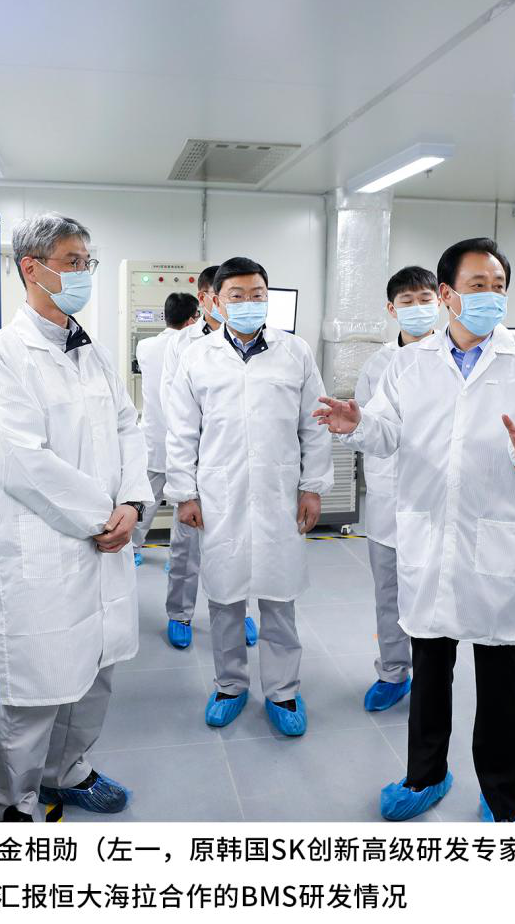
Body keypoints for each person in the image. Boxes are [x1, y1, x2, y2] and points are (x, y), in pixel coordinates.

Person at [316, 238, 515, 822]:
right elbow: (386, 432)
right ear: (447, 294)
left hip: (498, 536)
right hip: (429, 534)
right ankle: (425, 776)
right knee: (431, 671)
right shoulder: (408, 364)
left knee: (501, 680)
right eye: (477, 285)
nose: (491, 296)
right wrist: (356, 425)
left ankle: (502, 796)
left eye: (498, 286)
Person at [0, 213, 153, 821]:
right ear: (31, 268)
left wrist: (132, 503)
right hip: (44, 550)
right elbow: (19, 460)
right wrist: (103, 517)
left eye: (86, 262)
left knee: (96, 670)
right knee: (39, 687)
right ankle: (14, 804)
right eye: (72, 262)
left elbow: (128, 426)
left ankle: (66, 771)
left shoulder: (90, 351)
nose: (83, 273)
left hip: (106, 538)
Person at [164, 256, 334, 736]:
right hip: (220, 494)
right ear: (216, 301)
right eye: (236, 295)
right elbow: (181, 431)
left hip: (281, 492)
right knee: (225, 598)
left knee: (280, 598)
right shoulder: (196, 356)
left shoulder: (295, 351)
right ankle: (230, 685)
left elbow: (315, 425)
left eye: (257, 294)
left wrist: (313, 486)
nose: (248, 302)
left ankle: (283, 690)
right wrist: (185, 493)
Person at [156, 267, 259, 650]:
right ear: (207, 298)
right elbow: (174, 407)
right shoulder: (182, 343)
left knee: (238, 544)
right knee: (186, 547)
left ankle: (239, 609)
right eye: (230, 295)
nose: (238, 303)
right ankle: (180, 613)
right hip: (197, 462)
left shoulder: (253, 343)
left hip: (236, 461)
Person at [355, 266, 441, 712]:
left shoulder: (456, 359)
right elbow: (365, 427)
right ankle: (393, 672)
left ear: (440, 301)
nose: (417, 307)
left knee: (432, 597)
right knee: (388, 593)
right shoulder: (377, 364)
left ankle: (431, 678)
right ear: (392, 309)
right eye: (407, 301)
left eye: (425, 299)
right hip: (388, 498)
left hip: (438, 500)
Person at [130, 291, 201, 564]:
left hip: (154, 439)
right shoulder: (194, 348)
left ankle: (132, 550)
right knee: (185, 500)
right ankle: (178, 558)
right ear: (192, 319)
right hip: (185, 440)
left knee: (146, 501)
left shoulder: (145, 346)